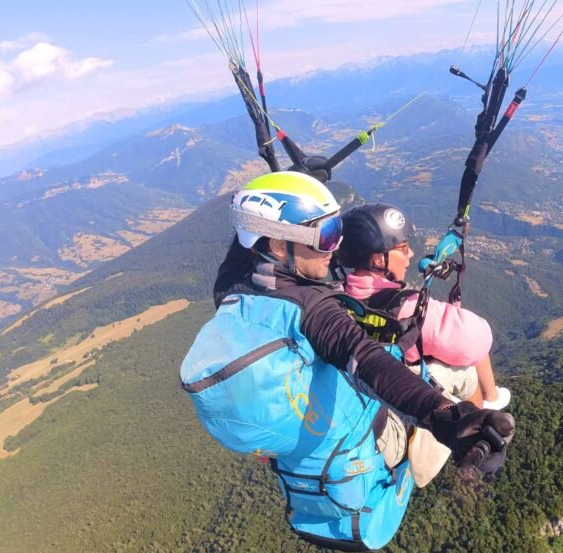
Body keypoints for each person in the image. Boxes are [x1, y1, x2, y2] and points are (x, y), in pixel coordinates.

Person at [211, 171, 514, 476]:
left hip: (309, 429)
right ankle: (480, 409)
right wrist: (450, 419)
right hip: (376, 439)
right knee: (463, 372)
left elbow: (245, 235)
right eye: (326, 235)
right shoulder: (314, 310)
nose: (334, 249)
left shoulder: (230, 287)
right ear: (278, 246)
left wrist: (299, 186)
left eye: (337, 234)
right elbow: (368, 360)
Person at [336, 203, 511, 411]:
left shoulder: (339, 296)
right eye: (402, 247)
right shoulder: (406, 308)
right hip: (398, 390)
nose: (410, 253)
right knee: (468, 372)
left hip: (366, 382)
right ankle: (486, 410)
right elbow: (478, 340)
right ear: (377, 259)